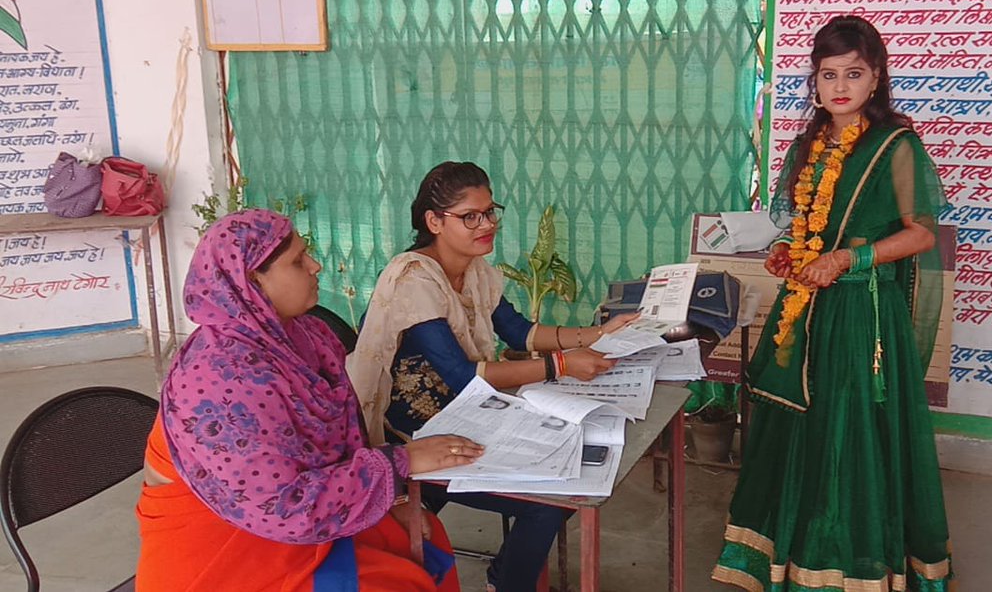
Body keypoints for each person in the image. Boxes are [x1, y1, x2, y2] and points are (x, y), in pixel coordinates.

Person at [712, 15, 952, 591]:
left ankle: (851, 563)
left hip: (862, 317)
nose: (840, 85)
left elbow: (921, 233)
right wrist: (786, 254)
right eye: (827, 74)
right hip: (807, 310)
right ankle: (791, 555)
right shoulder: (809, 145)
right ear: (815, 81)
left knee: (851, 435)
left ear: (876, 79)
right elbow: (805, 231)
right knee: (798, 427)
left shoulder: (896, 144)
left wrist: (850, 259)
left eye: (854, 72)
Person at [136, 209, 484, 592]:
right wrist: (402, 462)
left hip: (308, 503)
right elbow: (280, 508)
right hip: (231, 540)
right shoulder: (219, 379)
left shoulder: (306, 336)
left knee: (425, 532)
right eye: (298, 261)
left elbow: (347, 432)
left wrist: (395, 494)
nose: (315, 266)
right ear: (253, 281)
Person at [349, 161, 637, 592]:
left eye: (490, 212)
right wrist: (563, 364)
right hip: (413, 436)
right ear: (434, 221)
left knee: (575, 463)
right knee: (548, 502)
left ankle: (509, 575)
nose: (486, 225)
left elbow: (520, 331)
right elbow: (465, 377)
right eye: (470, 216)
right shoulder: (414, 278)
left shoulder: (477, 271)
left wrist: (597, 333)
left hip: (467, 416)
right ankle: (506, 583)